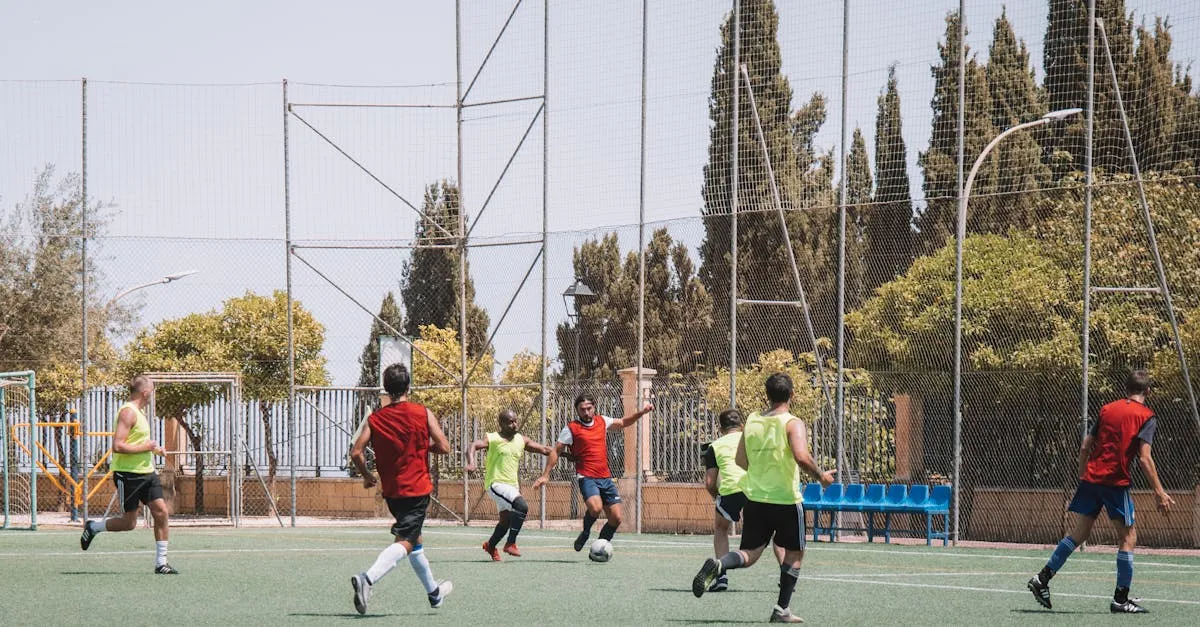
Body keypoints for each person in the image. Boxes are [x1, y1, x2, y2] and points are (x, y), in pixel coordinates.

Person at [691, 373, 835, 624]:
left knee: (749, 553)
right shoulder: (793, 423)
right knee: (795, 552)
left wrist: (761, 471)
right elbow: (801, 456)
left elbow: (740, 461)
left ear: (766, 396)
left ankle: (719, 565)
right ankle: (782, 609)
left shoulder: (753, 422)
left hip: (756, 499)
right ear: (792, 395)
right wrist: (822, 476)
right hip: (787, 500)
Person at [1027, 370, 1174, 614]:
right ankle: (1121, 599)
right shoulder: (1147, 416)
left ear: (1126, 389)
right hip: (1115, 482)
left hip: (1092, 479)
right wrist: (1159, 491)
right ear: (1148, 392)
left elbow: (1086, 445)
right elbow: (1145, 459)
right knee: (1128, 538)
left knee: (1079, 533)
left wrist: (1084, 474)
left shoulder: (1107, 409)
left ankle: (1042, 578)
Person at [348, 363, 453, 615]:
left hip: (393, 493)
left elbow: (356, 452)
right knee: (406, 541)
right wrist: (423, 448)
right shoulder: (422, 412)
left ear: (386, 388)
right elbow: (444, 446)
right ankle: (368, 579)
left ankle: (434, 594)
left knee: (415, 541)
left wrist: (367, 476)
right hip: (417, 490)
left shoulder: (375, 419)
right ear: (409, 386)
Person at [79, 375, 177, 574]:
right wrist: (145, 446)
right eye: (152, 391)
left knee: (161, 513)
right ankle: (94, 527)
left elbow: (138, 443)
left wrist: (153, 449)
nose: (152, 395)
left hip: (147, 473)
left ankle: (161, 563)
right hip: (128, 475)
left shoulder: (140, 414)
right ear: (145, 392)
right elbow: (118, 446)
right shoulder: (127, 413)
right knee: (129, 523)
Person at [532, 394, 653, 553]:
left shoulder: (602, 421)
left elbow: (623, 422)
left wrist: (642, 412)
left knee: (616, 519)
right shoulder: (571, 428)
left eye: (589, 408)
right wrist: (546, 474)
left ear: (594, 407)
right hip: (586, 476)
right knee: (595, 509)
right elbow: (556, 451)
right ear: (577, 411)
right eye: (582, 410)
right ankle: (585, 532)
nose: (586, 412)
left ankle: (599, 547)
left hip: (605, 477)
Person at [701, 408, 785, 592]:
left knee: (721, 528)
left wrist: (718, 497)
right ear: (742, 425)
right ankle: (786, 577)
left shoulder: (714, 446)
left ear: (721, 428)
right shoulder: (752, 440)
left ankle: (721, 576)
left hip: (730, 491)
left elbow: (709, 482)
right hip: (756, 490)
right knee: (776, 532)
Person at [465, 408, 552, 560]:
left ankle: (490, 545)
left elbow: (545, 449)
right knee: (522, 506)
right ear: (501, 424)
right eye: (510, 422)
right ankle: (510, 543)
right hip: (496, 483)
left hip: (512, 486)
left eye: (515, 421)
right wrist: (471, 463)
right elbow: (473, 445)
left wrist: (566, 454)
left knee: (505, 521)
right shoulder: (492, 438)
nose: (515, 424)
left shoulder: (521, 439)